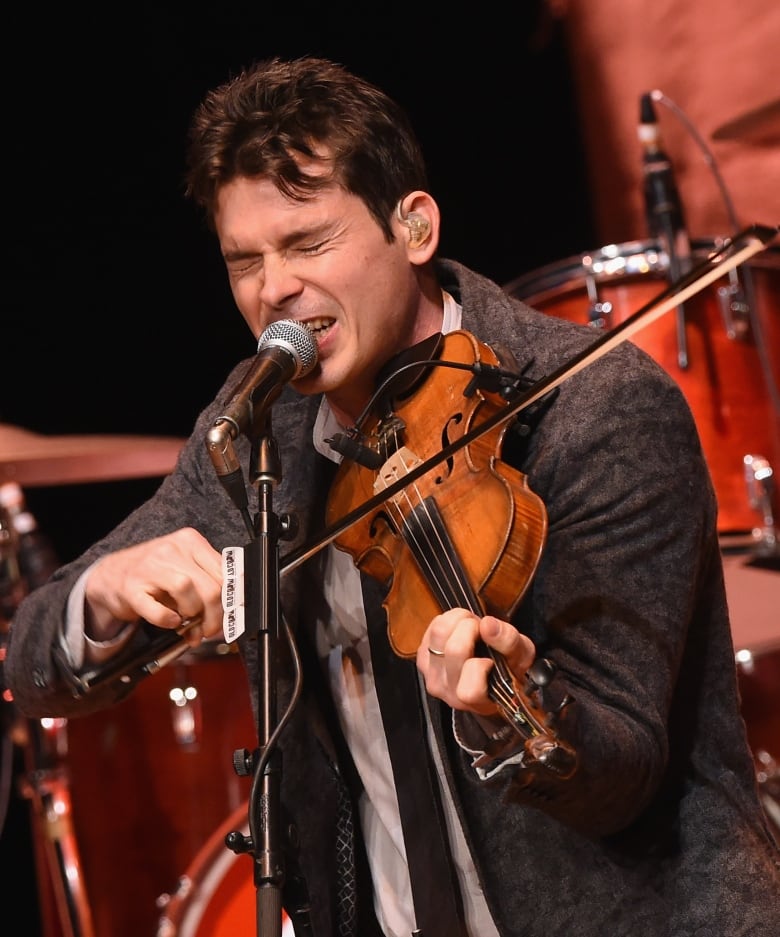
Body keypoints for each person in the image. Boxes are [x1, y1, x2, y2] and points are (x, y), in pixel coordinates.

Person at [6, 56, 779, 937]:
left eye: (306, 244)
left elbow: (622, 772)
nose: (273, 291)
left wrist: (509, 711)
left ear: (413, 227)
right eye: (243, 260)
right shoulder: (261, 429)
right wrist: (97, 599)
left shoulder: (590, 405)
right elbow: (34, 660)